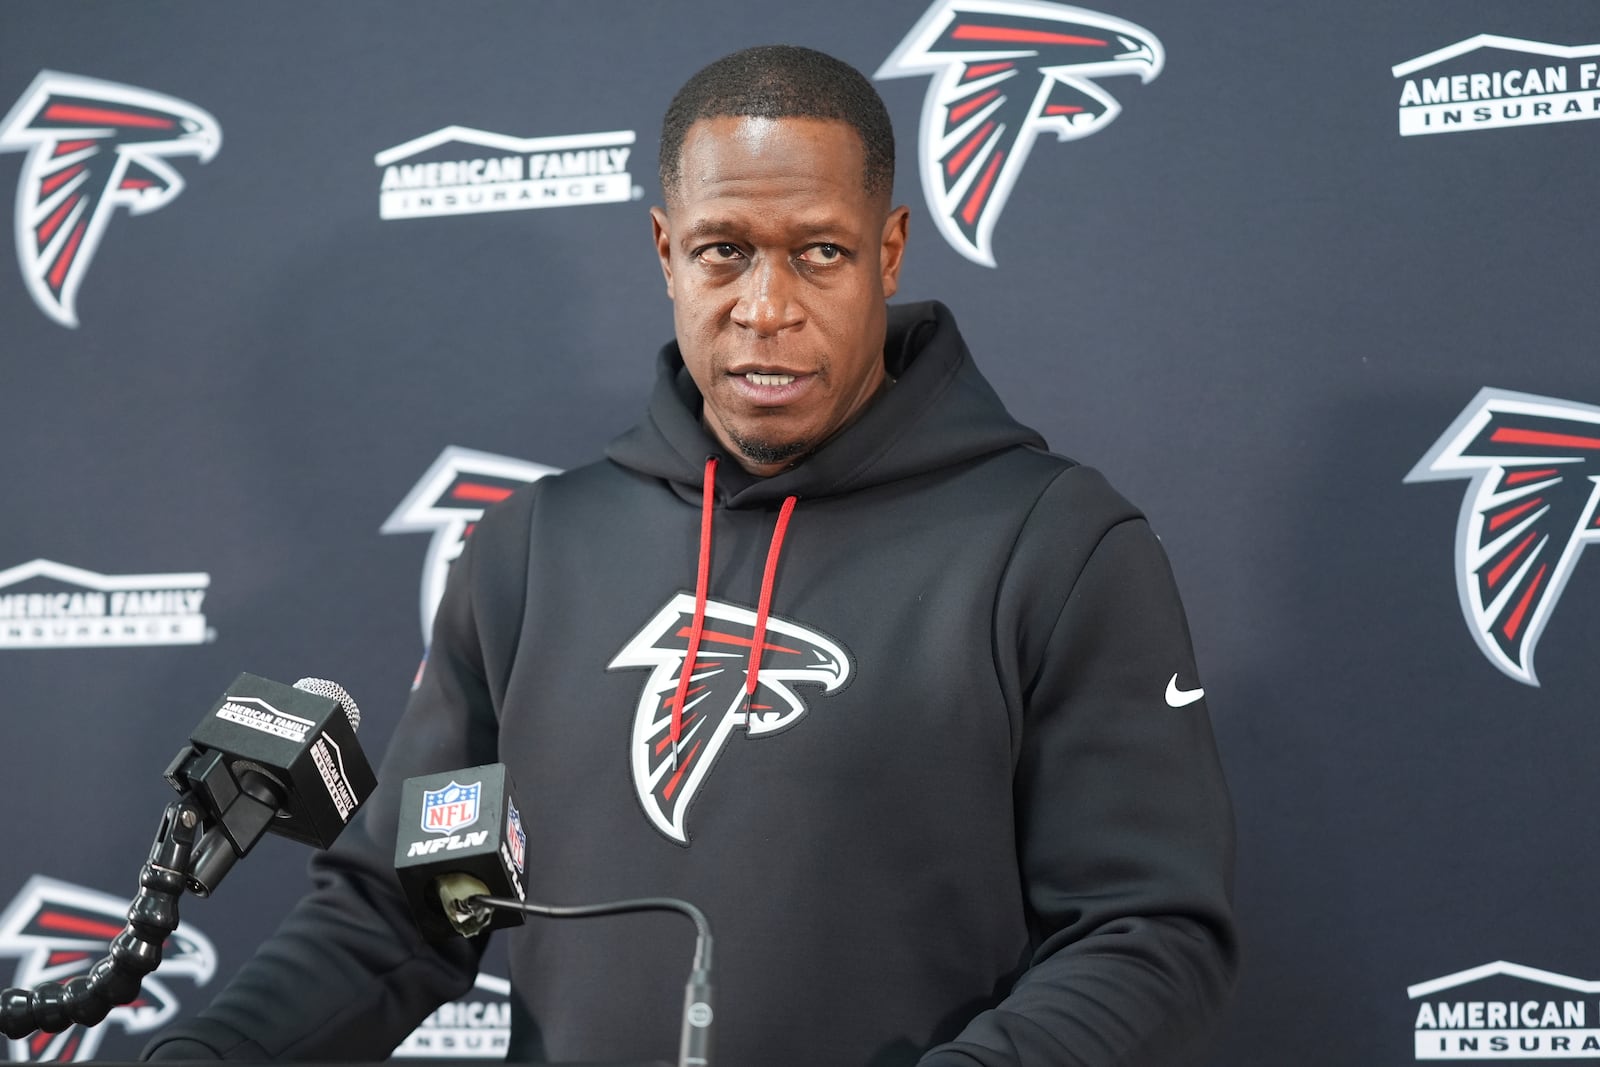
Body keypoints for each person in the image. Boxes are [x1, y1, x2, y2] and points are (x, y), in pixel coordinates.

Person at [143, 45, 1236, 1066]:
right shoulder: (535, 547)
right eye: (725, 252)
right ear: (665, 250)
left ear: (889, 250)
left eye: (820, 252)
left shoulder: (1052, 541)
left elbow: (1146, 931)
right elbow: (406, 911)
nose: (767, 308)